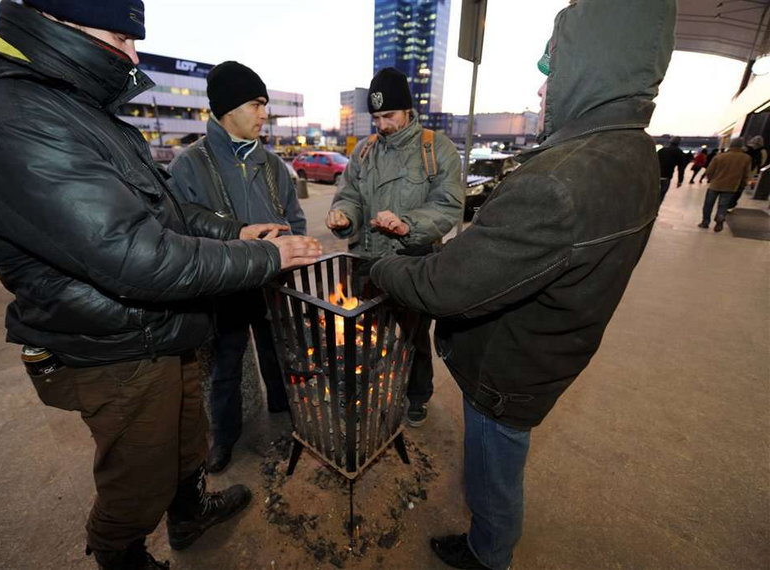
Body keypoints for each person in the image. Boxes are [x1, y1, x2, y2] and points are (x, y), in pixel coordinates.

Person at [0, 2, 322, 569]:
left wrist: (234, 229)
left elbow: (162, 211)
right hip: (116, 343)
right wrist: (262, 255)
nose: (133, 56)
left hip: (158, 327)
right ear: (55, 20)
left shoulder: (69, 105)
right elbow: (137, 257)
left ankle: (190, 513)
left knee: (186, 440)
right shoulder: (9, 116)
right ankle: (123, 555)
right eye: (120, 36)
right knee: (138, 475)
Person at [367, 1, 676, 568]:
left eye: (551, 71)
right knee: (498, 469)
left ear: (591, 67)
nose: (541, 92)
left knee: (492, 480)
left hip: (508, 370)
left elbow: (443, 285)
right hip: (550, 349)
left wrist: (380, 268)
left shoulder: (561, 180)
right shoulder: (631, 151)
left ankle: (488, 555)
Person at [168, 61, 306, 473]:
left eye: (266, 105)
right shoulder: (189, 165)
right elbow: (177, 229)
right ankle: (223, 439)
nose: (265, 114)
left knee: (279, 356)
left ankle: (286, 418)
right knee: (226, 367)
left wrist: (290, 246)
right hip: (225, 288)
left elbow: (295, 219)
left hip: (271, 283)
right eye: (256, 104)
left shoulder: (273, 164)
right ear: (228, 107)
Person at [325, 67, 464, 427]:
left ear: (407, 110)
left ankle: (416, 395)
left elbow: (449, 205)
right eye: (376, 118)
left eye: (389, 116)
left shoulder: (437, 148)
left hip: (412, 260)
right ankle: (370, 387)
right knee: (364, 334)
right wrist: (343, 214)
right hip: (367, 260)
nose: (382, 125)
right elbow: (350, 194)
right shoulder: (365, 151)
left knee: (413, 338)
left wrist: (409, 224)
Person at [698, 137, 753, 232]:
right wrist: (743, 184)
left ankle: (705, 222)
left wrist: (710, 179)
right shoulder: (746, 158)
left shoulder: (720, 156)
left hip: (715, 184)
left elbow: (710, 170)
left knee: (708, 204)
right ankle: (720, 219)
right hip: (731, 186)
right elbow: (746, 174)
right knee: (723, 205)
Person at [657, 134, 686, 201]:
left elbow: (653, 162)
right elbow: (681, 168)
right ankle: (655, 209)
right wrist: (680, 180)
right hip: (667, 176)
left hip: (656, 175)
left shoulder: (662, 150)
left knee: (652, 193)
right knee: (661, 195)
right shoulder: (679, 153)